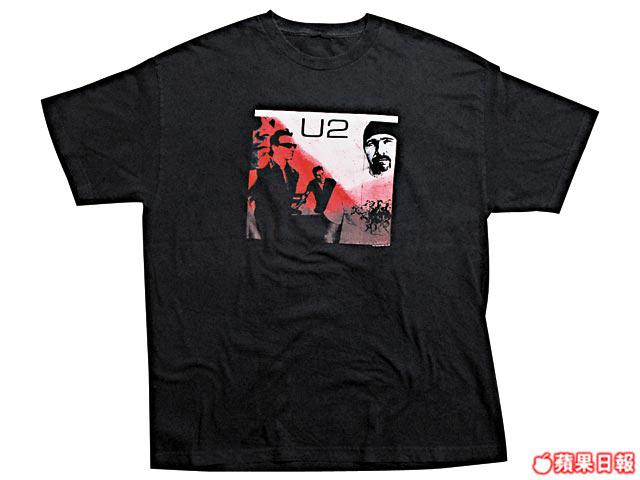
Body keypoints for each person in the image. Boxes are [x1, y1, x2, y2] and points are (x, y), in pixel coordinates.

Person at [249, 128, 299, 240]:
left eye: (293, 146)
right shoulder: (261, 169)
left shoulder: (294, 174)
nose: (292, 149)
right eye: (287, 145)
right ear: (274, 147)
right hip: (262, 226)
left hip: (284, 226)